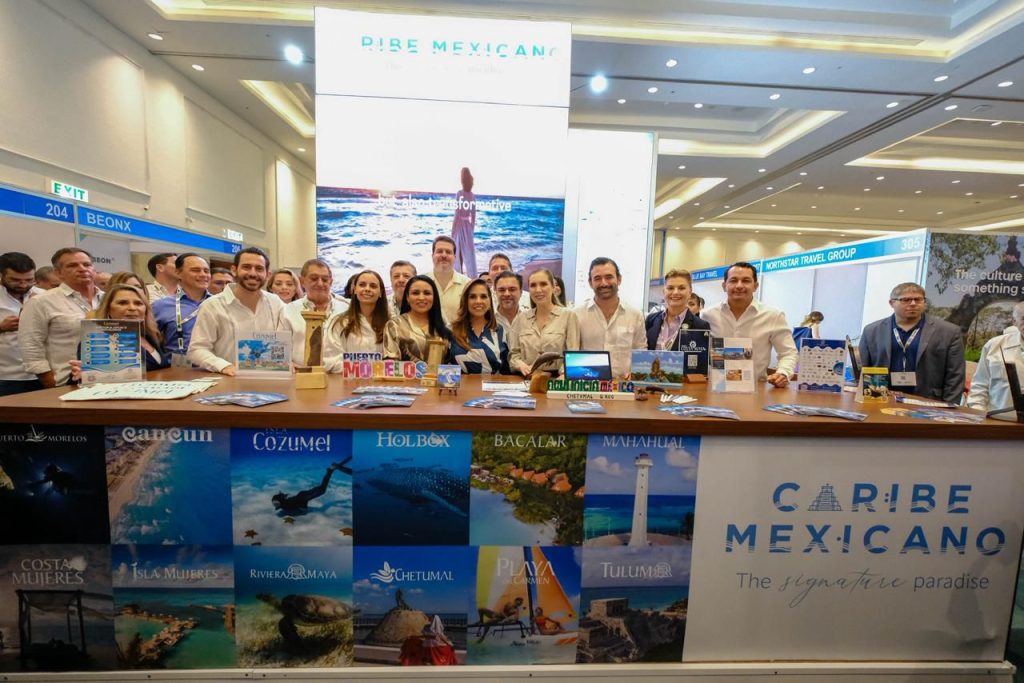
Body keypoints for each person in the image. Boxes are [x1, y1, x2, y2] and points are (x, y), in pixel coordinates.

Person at [859, 282, 965, 403]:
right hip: (881, 400)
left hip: (928, 403)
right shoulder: (872, 331)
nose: (913, 304)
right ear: (891, 303)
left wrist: (949, 409)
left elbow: (955, 375)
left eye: (918, 299)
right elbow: (864, 367)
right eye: (906, 300)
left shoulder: (949, 332)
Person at [186, 247, 285, 375]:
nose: (253, 273)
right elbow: (197, 349)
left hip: (269, 378)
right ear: (234, 270)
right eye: (246, 267)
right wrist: (224, 366)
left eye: (259, 269)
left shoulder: (275, 302)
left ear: (267, 274)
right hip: (228, 382)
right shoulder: (212, 306)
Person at [702, 261, 797, 386]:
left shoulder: (773, 316)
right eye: (733, 280)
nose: (739, 285)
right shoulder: (708, 315)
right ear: (724, 285)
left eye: (746, 280)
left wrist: (783, 373)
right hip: (716, 388)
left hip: (756, 389)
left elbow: (788, 353)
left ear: (755, 286)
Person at [19, 248, 103, 387]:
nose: (82, 269)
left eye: (87, 264)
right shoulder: (41, 302)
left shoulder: (109, 299)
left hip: (110, 378)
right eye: (72, 265)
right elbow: (31, 346)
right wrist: (51, 382)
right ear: (58, 273)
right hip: (66, 382)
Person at [69, 283, 171, 380]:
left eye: (138, 303)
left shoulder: (151, 337)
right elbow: (87, 378)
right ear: (108, 309)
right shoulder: (95, 342)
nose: (132, 308)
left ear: (145, 309)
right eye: (122, 303)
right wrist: (81, 375)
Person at [574, 257, 646, 378]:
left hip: (624, 386)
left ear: (619, 279)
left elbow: (641, 351)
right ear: (590, 283)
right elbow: (572, 351)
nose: (604, 283)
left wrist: (636, 373)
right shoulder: (577, 314)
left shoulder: (635, 315)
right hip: (588, 385)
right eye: (597, 278)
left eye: (609, 277)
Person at [509, 268, 581, 376]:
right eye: (533, 285)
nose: (538, 290)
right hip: (527, 379)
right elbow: (513, 355)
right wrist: (520, 365)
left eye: (543, 284)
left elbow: (573, 354)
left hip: (557, 380)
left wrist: (563, 375)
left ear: (553, 287)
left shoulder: (569, 316)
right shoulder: (520, 319)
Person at [278, 259, 347, 366]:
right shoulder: (288, 311)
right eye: (314, 278)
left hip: (340, 375)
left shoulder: (347, 310)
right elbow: (280, 349)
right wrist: (289, 366)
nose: (320, 283)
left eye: (325, 279)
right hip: (301, 375)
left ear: (331, 282)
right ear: (302, 281)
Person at [967, 302, 1024, 419]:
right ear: (1014, 322)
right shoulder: (995, 345)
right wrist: (978, 414)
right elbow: (980, 385)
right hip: (999, 423)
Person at [151, 253, 211, 364]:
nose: (203, 275)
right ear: (178, 273)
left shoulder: (220, 304)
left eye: (206, 271)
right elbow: (150, 341)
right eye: (195, 270)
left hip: (217, 367)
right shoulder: (161, 306)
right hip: (177, 370)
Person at [324, 270, 388, 370]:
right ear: (354, 290)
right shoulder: (339, 323)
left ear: (381, 293)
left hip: (382, 383)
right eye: (362, 285)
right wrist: (365, 369)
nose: (367, 289)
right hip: (348, 382)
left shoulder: (390, 324)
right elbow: (330, 361)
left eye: (373, 286)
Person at [0, 252, 44, 395]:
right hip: (6, 376)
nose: (23, 284)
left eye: (29, 280)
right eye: (15, 280)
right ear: (1, 275)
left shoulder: (43, 296)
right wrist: (1, 327)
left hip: (42, 373)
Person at [383, 274, 452, 363]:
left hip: (439, 377)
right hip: (404, 377)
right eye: (415, 293)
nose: (421, 298)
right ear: (407, 297)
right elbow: (390, 363)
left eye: (427, 293)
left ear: (434, 298)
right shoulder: (394, 325)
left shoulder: (442, 328)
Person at [449, 279, 510, 374]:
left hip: (493, 387)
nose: (478, 301)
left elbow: (507, 369)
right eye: (472, 297)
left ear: (490, 302)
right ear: (465, 301)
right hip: (460, 388)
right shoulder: (450, 330)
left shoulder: (500, 330)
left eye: (483, 296)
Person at [645, 269, 710, 351]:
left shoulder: (701, 326)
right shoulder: (650, 320)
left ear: (690, 292)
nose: (675, 292)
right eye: (670, 288)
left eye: (681, 288)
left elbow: (701, 361)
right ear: (664, 291)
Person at [271, 458, 351, 515]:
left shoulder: (285, 505)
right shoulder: (287, 504)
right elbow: (294, 502)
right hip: (302, 500)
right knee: (318, 489)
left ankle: (329, 471)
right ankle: (329, 471)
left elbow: (291, 503)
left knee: (318, 490)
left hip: (301, 500)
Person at [425, 235, 470, 323]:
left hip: (458, 335)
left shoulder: (467, 284)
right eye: (439, 251)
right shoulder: (421, 282)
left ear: (455, 257)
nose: (444, 255)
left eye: (448, 252)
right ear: (432, 256)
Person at [451, 166, 477, 276]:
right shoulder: (472, 195)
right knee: (469, 253)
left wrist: (453, 230)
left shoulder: (459, 194)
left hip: (460, 225)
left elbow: (457, 213)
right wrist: (471, 228)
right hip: (467, 226)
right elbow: (473, 214)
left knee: (458, 252)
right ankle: (472, 275)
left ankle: (459, 275)